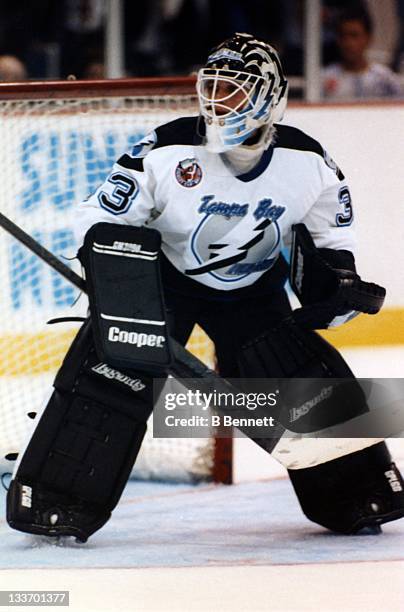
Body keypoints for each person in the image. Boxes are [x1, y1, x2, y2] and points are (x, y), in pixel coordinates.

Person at [6, 33, 404, 542]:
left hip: (254, 290)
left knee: (298, 379)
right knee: (111, 377)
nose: (218, 101)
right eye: (212, 87)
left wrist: (337, 284)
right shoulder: (166, 148)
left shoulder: (310, 163)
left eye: (233, 90)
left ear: (267, 95)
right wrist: (115, 277)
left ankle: (357, 493)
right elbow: (99, 218)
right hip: (165, 284)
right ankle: (56, 500)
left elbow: (330, 239)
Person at [322, 6, 402, 99]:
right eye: (343, 36)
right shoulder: (325, 78)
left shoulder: (385, 79)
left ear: (368, 38)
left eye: (354, 36)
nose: (348, 43)